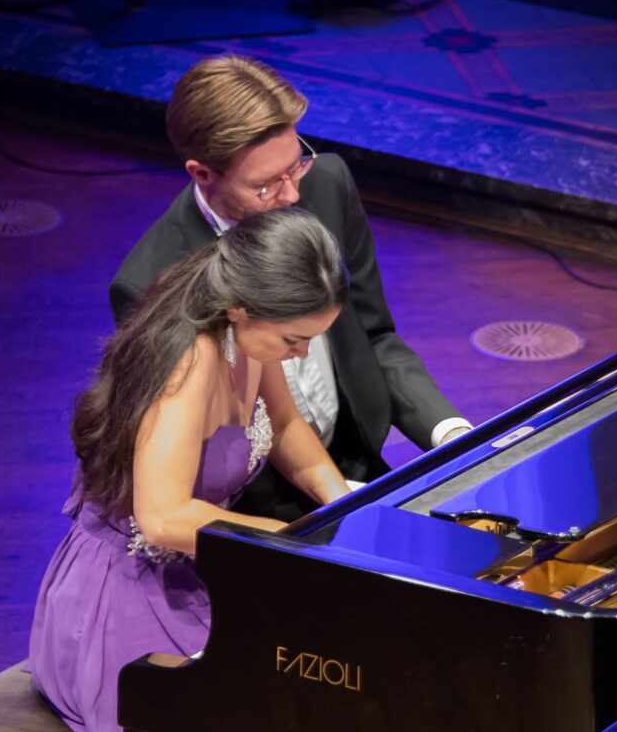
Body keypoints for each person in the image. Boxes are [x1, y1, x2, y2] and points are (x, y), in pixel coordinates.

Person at [30, 208, 352, 732]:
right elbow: (163, 518)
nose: (301, 356)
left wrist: (340, 501)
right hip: (123, 591)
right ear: (240, 309)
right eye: (294, 341)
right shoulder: (188, 360)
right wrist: (293, 541)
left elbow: (282, 424)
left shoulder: (250, 336)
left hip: (201, 572)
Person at [111, 54, 470, 522]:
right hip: (249, 502)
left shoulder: (327, 183)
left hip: (348, 464)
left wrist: (448, 431)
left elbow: (373, 333)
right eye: (265, 185)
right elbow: (177, 480)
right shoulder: (150, 281)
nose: (293, 196)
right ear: (202, 173)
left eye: (295, 165)